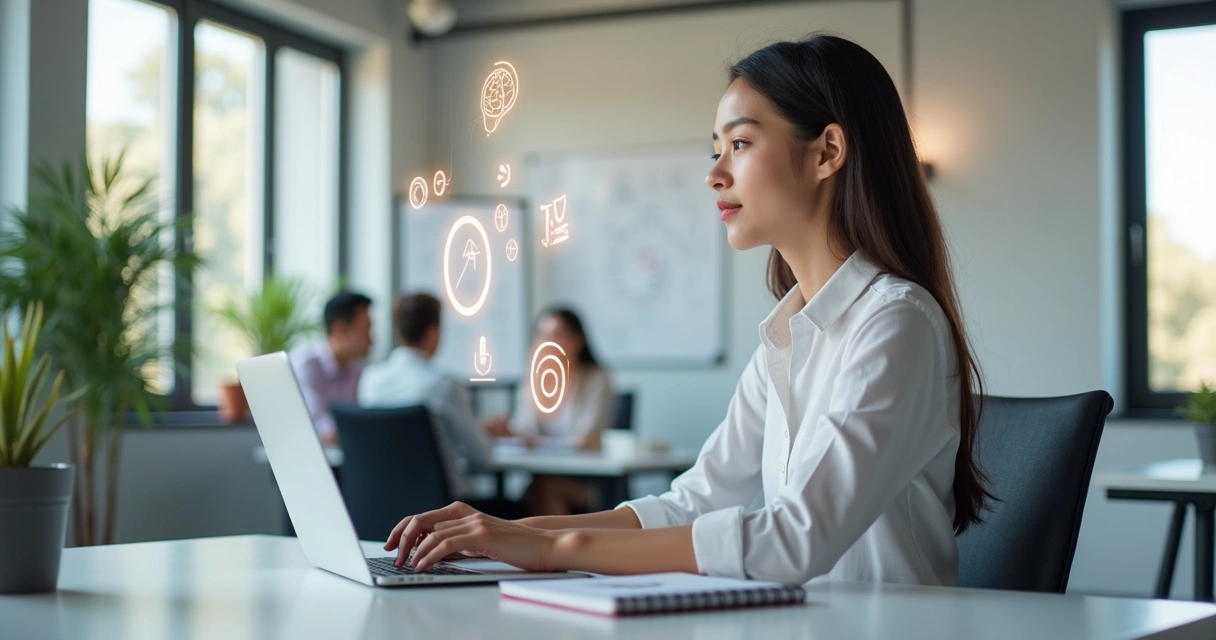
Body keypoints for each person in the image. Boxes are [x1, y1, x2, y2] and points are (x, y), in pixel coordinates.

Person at [383, 35, 990, 587]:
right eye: (716, 149)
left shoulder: (897, 322)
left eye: (740, 144)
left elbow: (795, 539)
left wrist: (553, 549)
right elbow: (692, 503)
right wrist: (501, 532)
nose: (714, 175)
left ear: (827, 151)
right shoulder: (786, 338)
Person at [358, 293, 492, 499]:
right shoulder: (444, 386)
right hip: (445, 510)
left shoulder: (370, 380)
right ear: (433, 332)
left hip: (382, 504)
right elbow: (482, 456)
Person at [483, 308, 615, 515]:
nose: (549, 342)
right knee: (535, 490)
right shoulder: (535, 380)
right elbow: (525, 430)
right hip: (542, 477)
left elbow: (586, 439)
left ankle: (557, 538)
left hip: (588, 483)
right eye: (542, 335)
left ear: (578, 340)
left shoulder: (597, 379)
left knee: (543, 489)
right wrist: (509, 432)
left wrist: (537, 442)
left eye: (557, 333)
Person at [289, 290, 373, 446]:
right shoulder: (305, 366)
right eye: (366, 330)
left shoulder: (358, 369)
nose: (372, 340)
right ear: (339, 330)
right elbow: (321, 429)